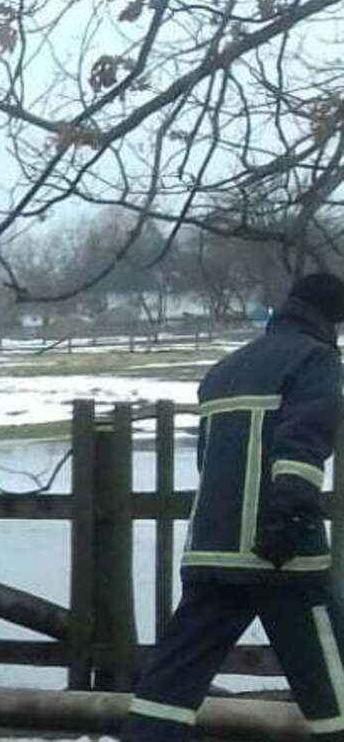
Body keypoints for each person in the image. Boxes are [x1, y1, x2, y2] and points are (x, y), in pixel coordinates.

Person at [123, 272, 344, 741]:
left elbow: (209, 461)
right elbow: (302, 444)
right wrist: (290, 517)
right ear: (332, 318)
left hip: (211, 552)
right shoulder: (316, 359)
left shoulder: (224, 370)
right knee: (334, 683)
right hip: (279, 553)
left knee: (169, 686)